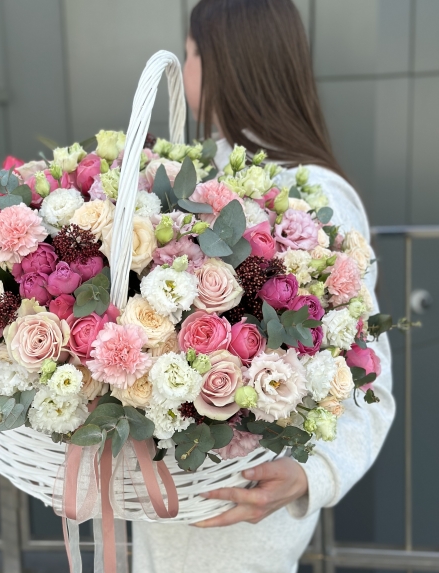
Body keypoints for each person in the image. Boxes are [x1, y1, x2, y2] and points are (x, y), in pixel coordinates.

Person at [132, 1, 395, 571]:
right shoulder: (203, 173)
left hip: (247, 512)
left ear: (225, 63)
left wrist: (313, 474)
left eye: (192, 52)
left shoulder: (313, 192)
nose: (186, 64)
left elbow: (366, 376)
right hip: (169, 499)